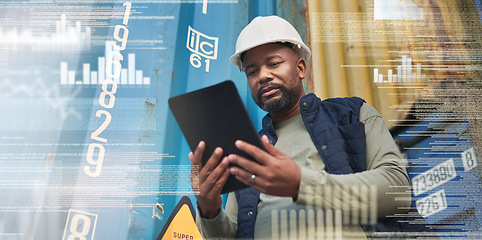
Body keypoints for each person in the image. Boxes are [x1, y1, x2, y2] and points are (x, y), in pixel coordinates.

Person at [189, 15, 412, 239]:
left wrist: (300, 184)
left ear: (301, 68)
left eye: (274, 63)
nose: (263, 76)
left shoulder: (352, 116)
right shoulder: (248, 154)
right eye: (252, 71)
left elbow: (398, 192)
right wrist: (209, 209)